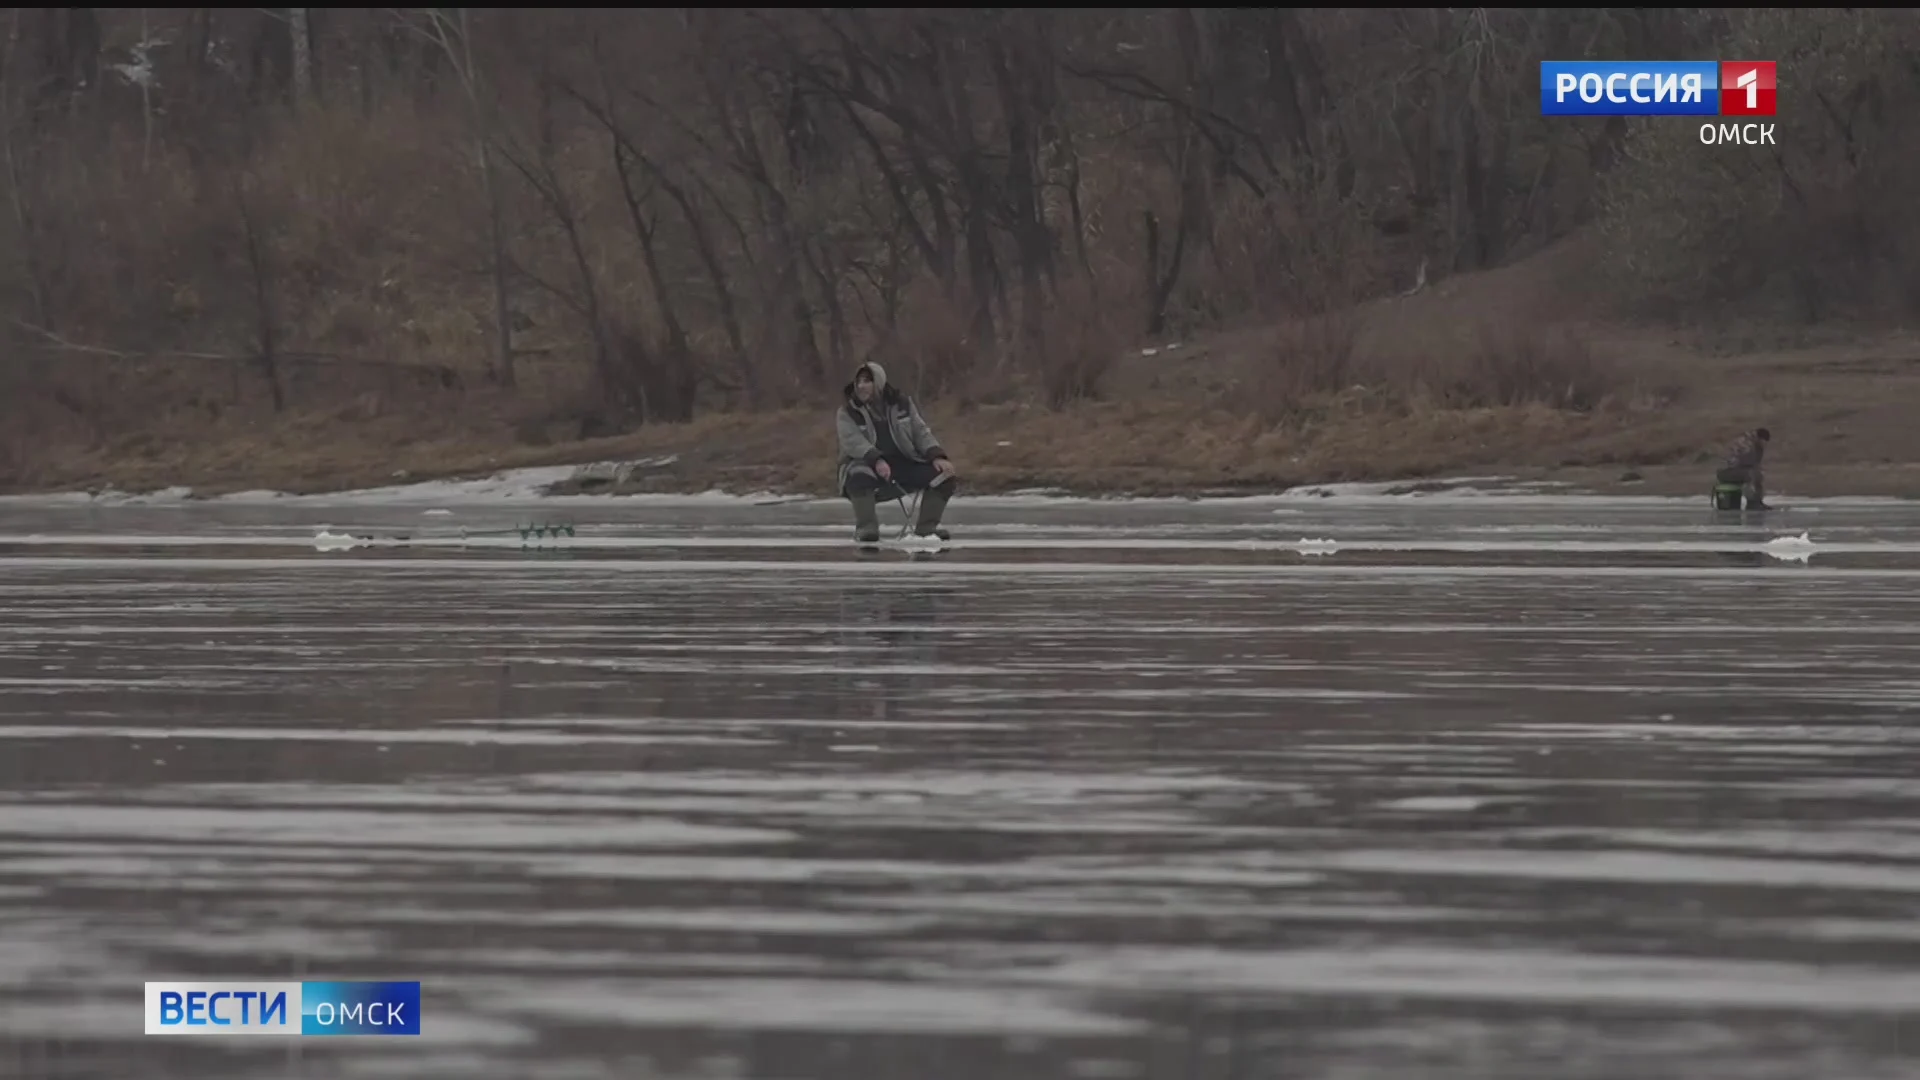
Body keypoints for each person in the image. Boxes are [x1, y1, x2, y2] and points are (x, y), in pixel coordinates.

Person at [835, 361, 958, 543]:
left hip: (902, 465)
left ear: (879, 382)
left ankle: (927, 528)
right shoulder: (847, 412)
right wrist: (876, 460)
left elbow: (920, 432)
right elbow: (853, 442)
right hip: (865, 466)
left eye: (867, 381)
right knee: (858, 474)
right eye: (858, 381)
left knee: (945, 476)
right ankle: (866, 528)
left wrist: (937, 456)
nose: (861, 386)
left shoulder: (902, 404)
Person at [1717, 427, 1771, 509]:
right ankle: (1752, 502)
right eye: (1764, 442)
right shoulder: (1745, 443)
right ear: (1759, 438)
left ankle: (1758, 501)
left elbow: (1755, 464)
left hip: (1738, 469)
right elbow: (1741, 462)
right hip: (1726, 471)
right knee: (1750, 475)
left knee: (1758, 475)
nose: (1765, 444)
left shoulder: (1757, 446)